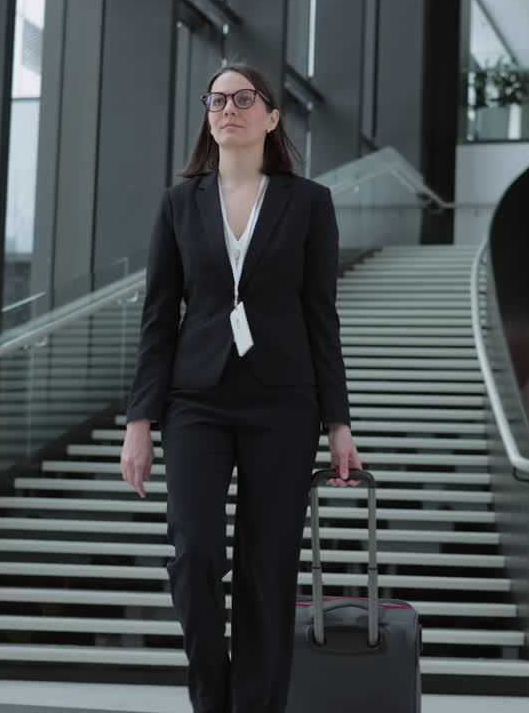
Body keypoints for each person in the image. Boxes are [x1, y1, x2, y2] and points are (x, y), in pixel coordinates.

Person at [120, 62, 364, 713]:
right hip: (196, 397)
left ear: (272, 117)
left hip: (284, 401)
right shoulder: (179, 204)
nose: (227, 108)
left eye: (243, 98)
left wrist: (339, 422)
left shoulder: (308, 203)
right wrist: (139, 421)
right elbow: (158, 315)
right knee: (195, 553)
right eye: (217, 100)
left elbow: (321, 314)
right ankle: (212, 699)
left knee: (267, 568)